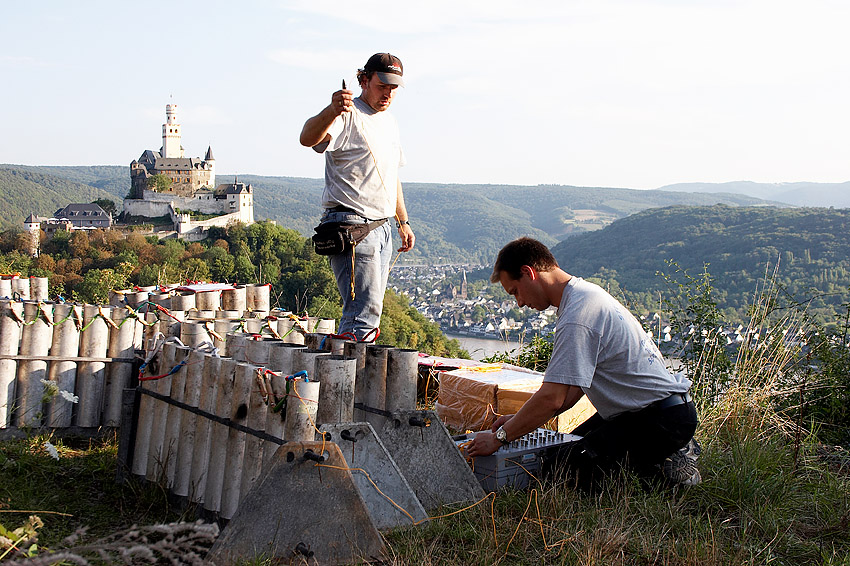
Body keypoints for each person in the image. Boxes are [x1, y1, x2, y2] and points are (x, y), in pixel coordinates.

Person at [467, 237, 700, 488]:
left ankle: (668, 469)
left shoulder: (577, 315)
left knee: (558, 473)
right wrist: (517, 421)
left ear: (528, 272)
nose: (520, 303)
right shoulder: (585, 295)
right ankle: (656, 455)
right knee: (568, 445)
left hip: (659, 419)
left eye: (515, 292)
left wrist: (500, 438)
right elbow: (570, 392)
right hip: (646, 412)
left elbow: (551, 398)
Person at [299, 53, 415, 339]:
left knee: (367, 312)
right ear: (364, 80)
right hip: (352, 223)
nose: (388, 93)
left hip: (382, 226)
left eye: (394, 88)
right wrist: (332, 110)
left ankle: (347, 370)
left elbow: (392, 176)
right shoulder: (347, 114)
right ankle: (347, 379)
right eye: (382, 85)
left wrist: (403, 221)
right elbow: (307, 139)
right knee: (364, 312)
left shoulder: (390, 123)